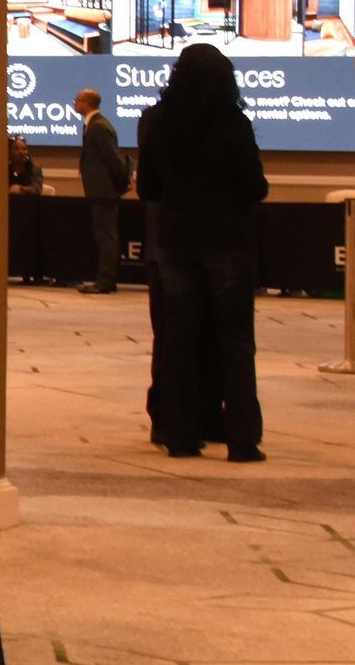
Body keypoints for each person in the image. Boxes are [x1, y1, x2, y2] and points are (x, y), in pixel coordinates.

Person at [135, 43, 268, 461]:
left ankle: (179, 435)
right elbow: (255, 186)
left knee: (178, 339)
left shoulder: (160, 124)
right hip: (227, 241)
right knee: (235, 341)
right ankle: (242, 440)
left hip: (176, 242)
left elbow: (147, 189)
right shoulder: (234, 124)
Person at [75, 88, 127, 293]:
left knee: (106, 236)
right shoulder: (94, 125)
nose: (75, 104)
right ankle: (105, 279)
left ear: (87, 103)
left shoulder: (98, 127)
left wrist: (121, 183)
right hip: (100, 190)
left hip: (103, 190)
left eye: (77, 100)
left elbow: (113, 159)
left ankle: (106, 280)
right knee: (104, 235)